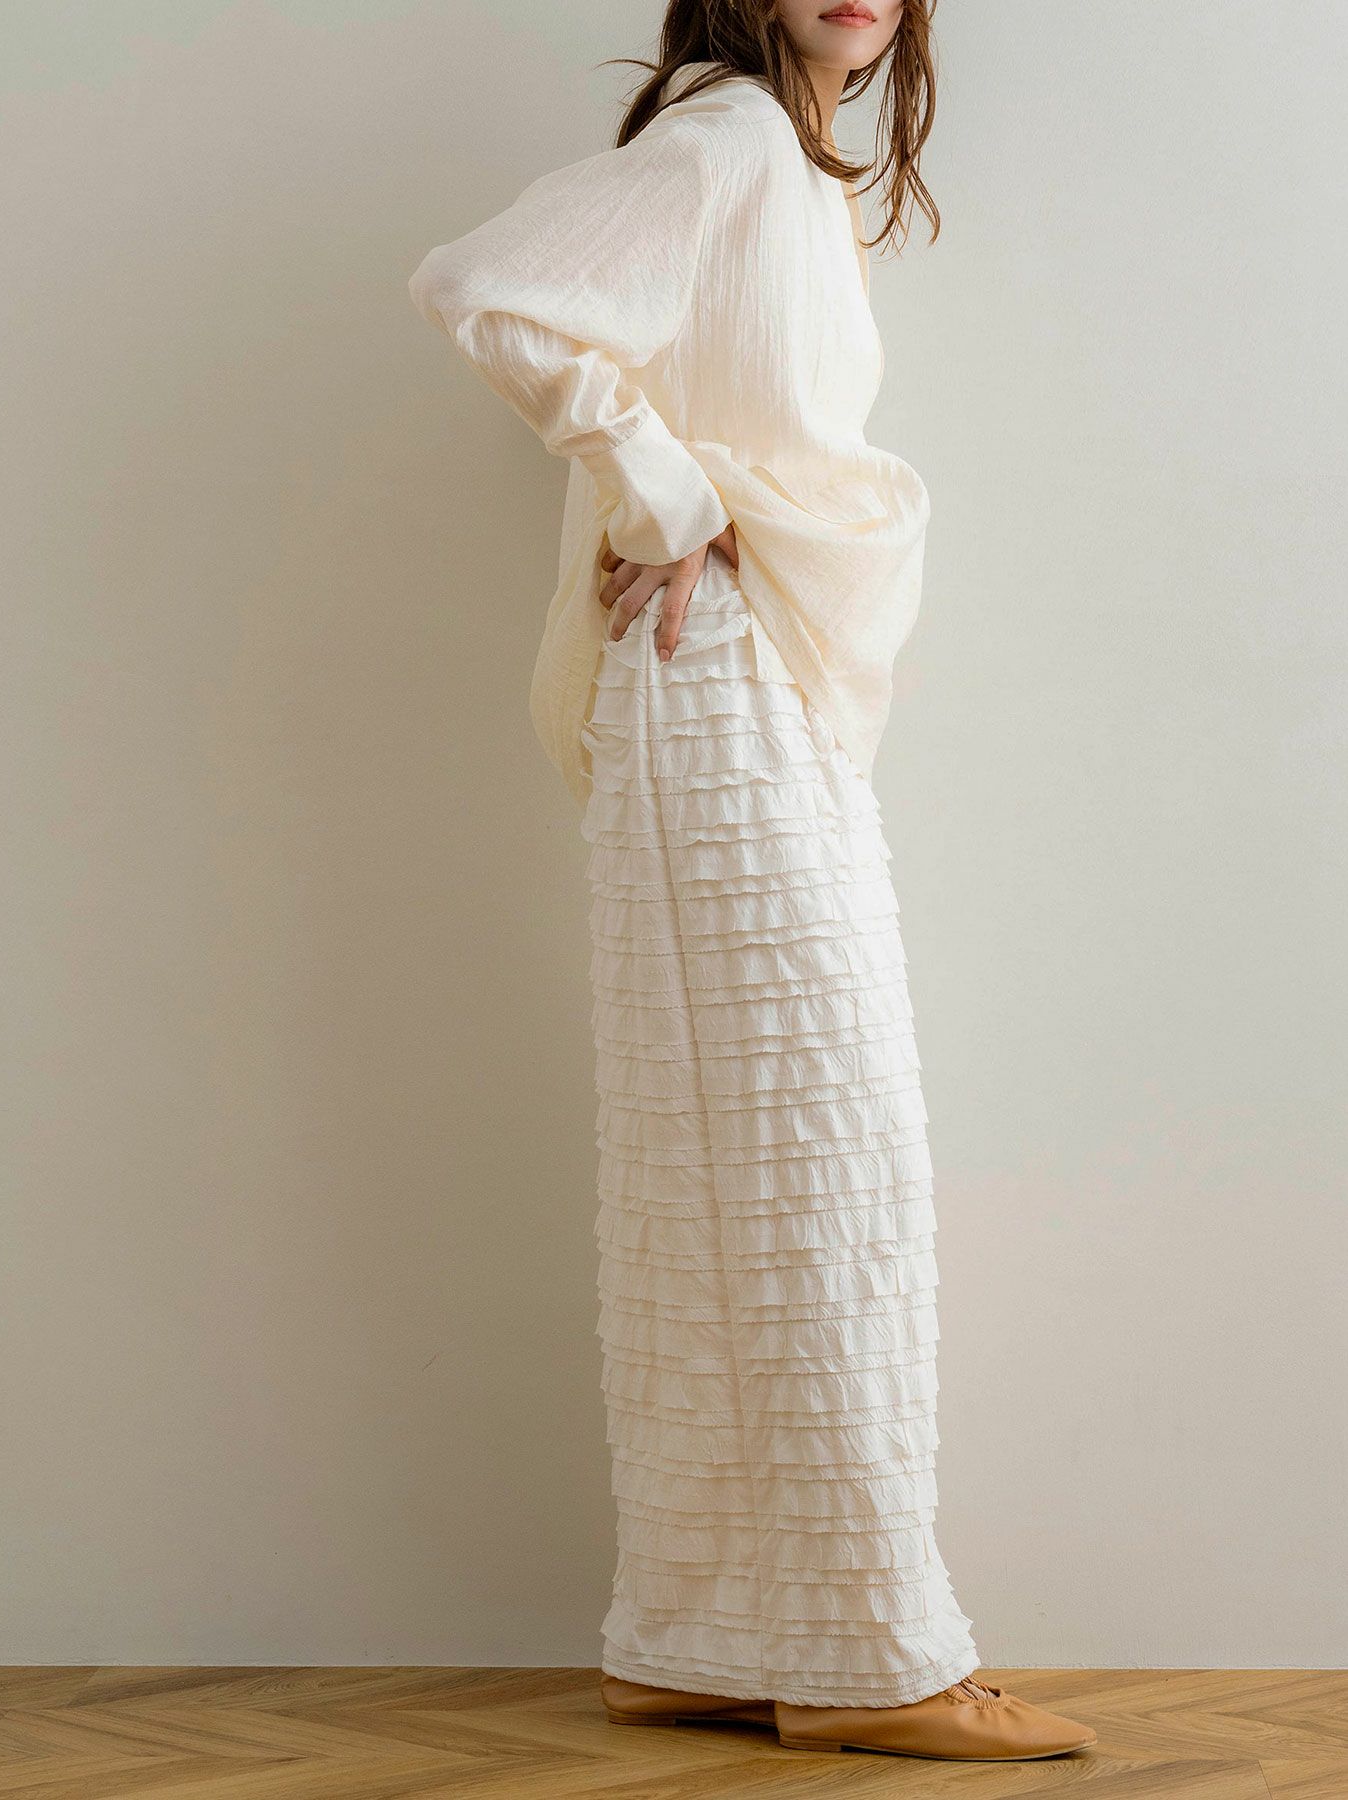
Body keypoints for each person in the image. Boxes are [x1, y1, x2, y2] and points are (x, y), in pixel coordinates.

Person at [407, 0, 1098, 1763]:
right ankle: (872, 1659)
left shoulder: (777, 160)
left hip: (743, 674)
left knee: (730, 1155)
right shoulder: (723, 138)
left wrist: (683, 492)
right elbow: (481, 287)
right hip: (709, 673)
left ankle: (697, 1631)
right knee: (817, 1148)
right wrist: (657, 489)